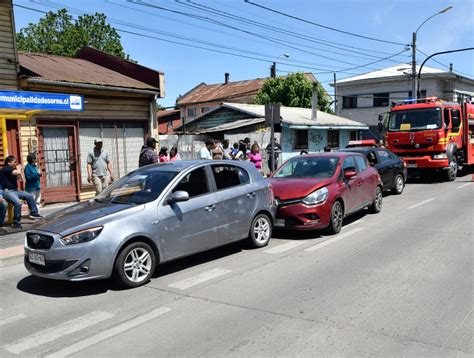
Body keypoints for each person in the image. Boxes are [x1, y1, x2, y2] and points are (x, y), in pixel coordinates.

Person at [0, 156, 43, 229]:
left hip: (15, 190)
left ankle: (34, 213)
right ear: (9, 162)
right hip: (7, 191)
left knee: (29, 196)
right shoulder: (6, 168)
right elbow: (17, 172)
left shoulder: (13, 169)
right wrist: (19, 169)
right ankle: (16, 222)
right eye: (14, 162)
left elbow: (20, 179)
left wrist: (21, 172)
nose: (16, 163)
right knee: (18, 203)